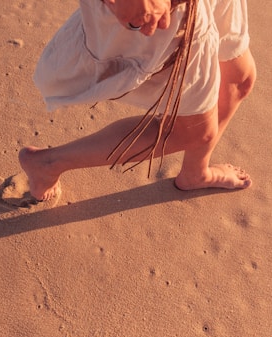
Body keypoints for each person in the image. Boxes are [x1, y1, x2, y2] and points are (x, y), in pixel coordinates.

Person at [19, 0, 256, 201]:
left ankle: (196, 172)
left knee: (239, 77)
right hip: (166, 13)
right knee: (193, 132)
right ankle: (48, 164)